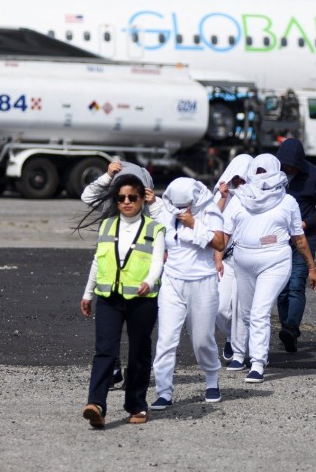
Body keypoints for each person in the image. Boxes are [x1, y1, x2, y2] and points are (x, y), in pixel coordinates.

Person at [77, 174, 165, 428]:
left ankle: (137, 404)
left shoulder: (154, 228)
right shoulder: (106, 226)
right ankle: (96, 404)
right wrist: (87, 293)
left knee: (139, 352)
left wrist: (149, 281)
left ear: (142, 199)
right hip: (108, 297)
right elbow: (98, 260)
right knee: (105, 350)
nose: (127, 202)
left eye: (132, 197)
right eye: (121, 198)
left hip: (141, 299)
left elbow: (158, 260)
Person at [221, 154, 316, 383]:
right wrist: (216, 258)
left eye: (267, 171)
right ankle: (237, 353)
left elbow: (299, 239)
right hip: (243, 261)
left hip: (275, 262)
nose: (262, 177)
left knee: (259, 311)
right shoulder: (239, 198)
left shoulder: (287, 202)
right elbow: (224, 234)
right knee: (243, 311)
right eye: (258, 171)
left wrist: (311, 267)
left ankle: (257, 362)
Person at [150, 178, 226, 410]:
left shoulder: (209, 210)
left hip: (202, 282)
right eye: (178, 205)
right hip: (172, 282)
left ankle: (212, 379)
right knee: (165, 340)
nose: (182, 210)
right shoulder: (166, 212)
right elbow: (158, 239)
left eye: (186, 205)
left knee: (202, 340)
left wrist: (194, 224)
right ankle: (164, 391)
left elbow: (220, 243)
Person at [275, 138, 316, 352]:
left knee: (296, 284)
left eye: (292, 166)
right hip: (278, 238)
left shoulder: (313, 175)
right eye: (285, 165)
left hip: (303, 238)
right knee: (281, 289)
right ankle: (286, 330)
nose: (288, 169)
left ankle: (291, 328)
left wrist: (308, 222)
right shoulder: (274, 172)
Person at [213, 154, 254, 362]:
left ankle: (242, 349)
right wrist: (222, 197)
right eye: (236, 178)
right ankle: (231, 336)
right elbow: (210, 221)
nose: (239, 183)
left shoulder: (258, 196)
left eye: (244, 179)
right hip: (225, 259)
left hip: (249, 260)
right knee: (221, 308)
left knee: (243, 308)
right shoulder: (222, 196)